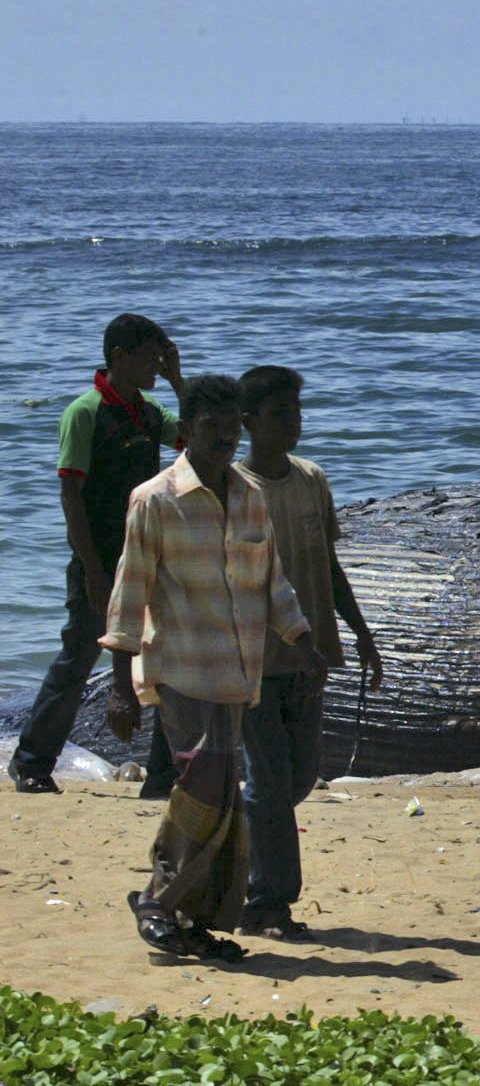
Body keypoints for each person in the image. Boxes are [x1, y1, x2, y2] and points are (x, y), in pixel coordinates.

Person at [100, 374, 323, 961]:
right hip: (180, 669)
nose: (225, 438)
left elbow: (271, 582)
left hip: (238, 673)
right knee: (204, 782)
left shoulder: (250, 497)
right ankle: (156, 897)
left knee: (223, 799)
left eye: (230, 428)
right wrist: (120, 689)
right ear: (186, 431)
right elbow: (128, 597)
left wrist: (301, 639)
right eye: (211, 428)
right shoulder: (155, 499)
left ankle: (190, 920)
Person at [234, 365, 383, 940]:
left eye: (297, 413)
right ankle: (267, 904)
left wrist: (360, 633)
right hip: (254, 655)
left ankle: (246, 867)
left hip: (311, 653)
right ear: (248, 423)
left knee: (299, 778)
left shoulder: (311, 480)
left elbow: (328, 563)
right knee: (270, 783)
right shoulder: (235, 488)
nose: (293, 424)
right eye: (280, 416)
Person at [8, 314, 184, 796]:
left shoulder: (149, 413)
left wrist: (178, 380)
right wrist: (91, 569)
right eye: (150, 357)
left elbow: (195, 441)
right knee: (80, 657)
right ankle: (31, 762)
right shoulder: (84, 413)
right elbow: (71, 496)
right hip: (99, 558)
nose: (155, 364)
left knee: (162, 655)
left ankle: (165, 773)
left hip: (148, 553)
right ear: (118, 358)